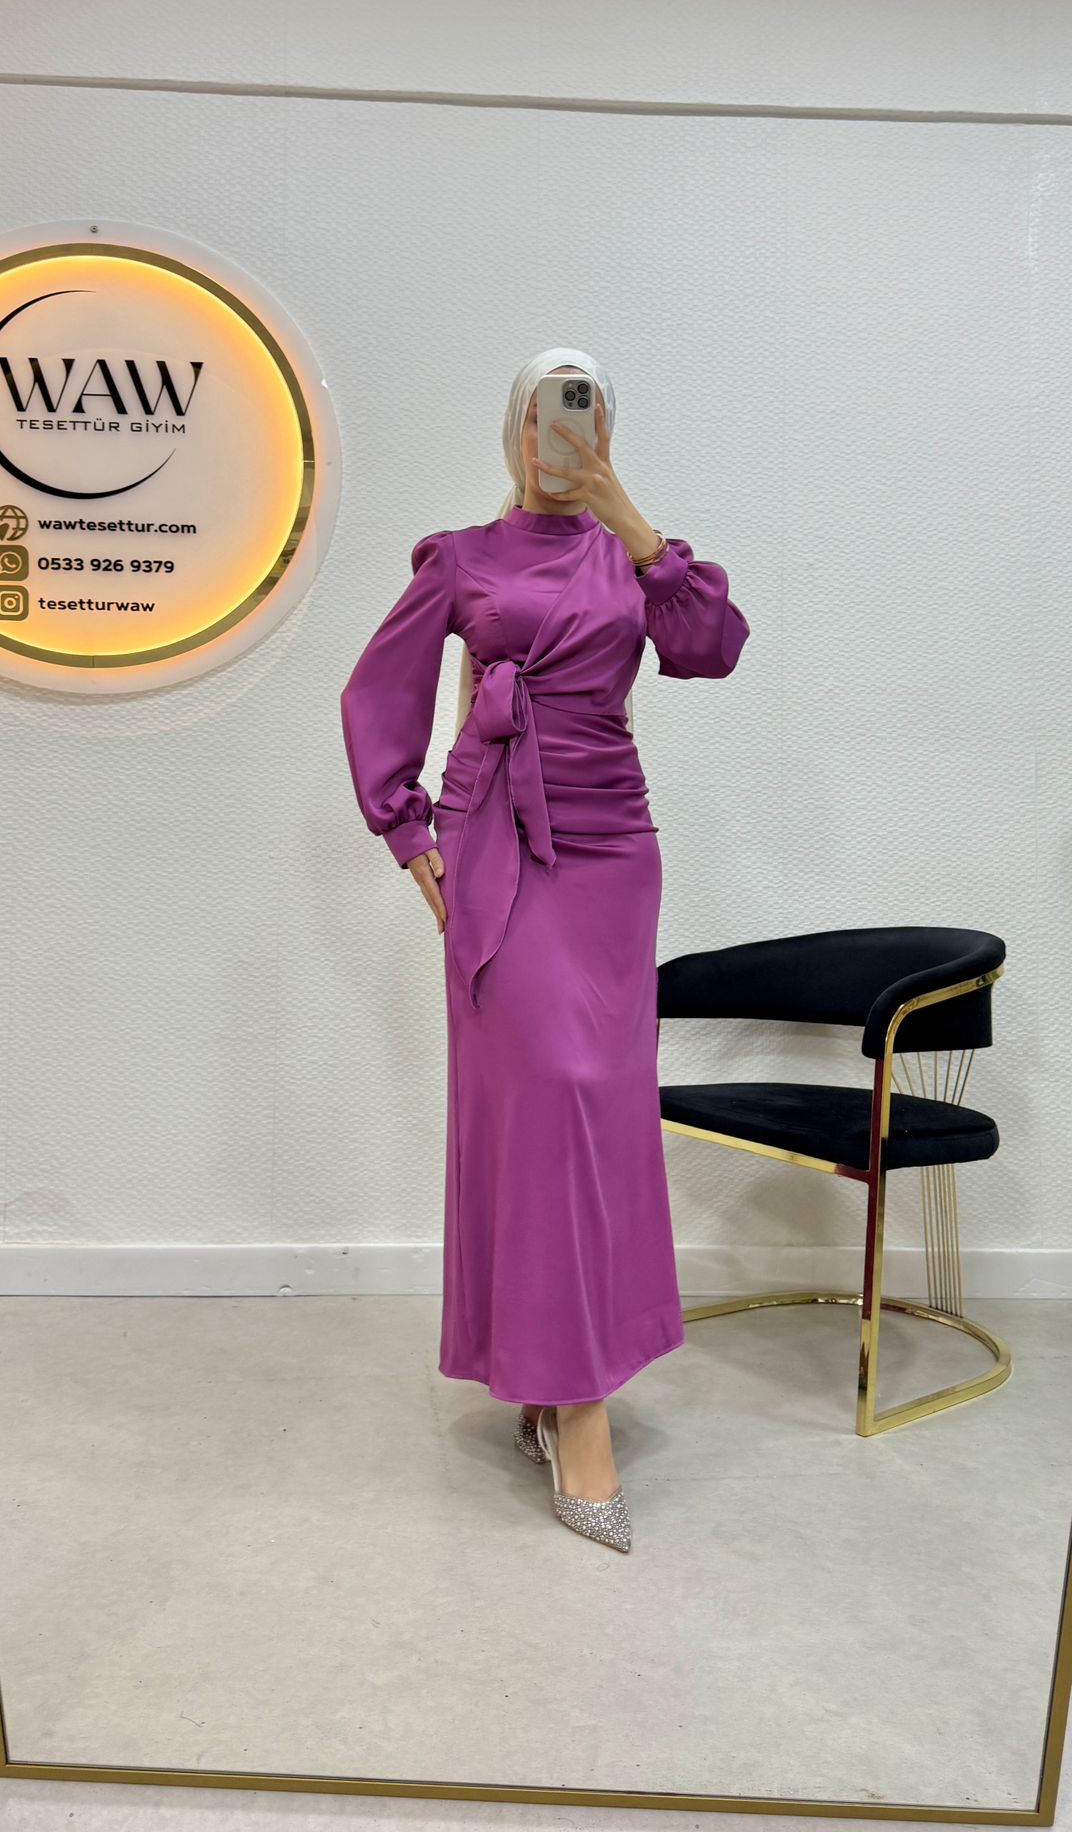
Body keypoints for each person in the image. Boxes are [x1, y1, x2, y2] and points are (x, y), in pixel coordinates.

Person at [339, 347, 750, 1553]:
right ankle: (576, 1405)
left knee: (598, 1106)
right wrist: (408, 830)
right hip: (495, 850)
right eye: (542, 416)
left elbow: (712, 646)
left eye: (583, 417)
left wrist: (630, 516)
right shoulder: (462, 557)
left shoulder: (634, 557)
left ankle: (552, 1375)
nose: (558, 437)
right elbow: (379, 690)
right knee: (543, 1098)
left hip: (612, 849)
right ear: (513, 429)